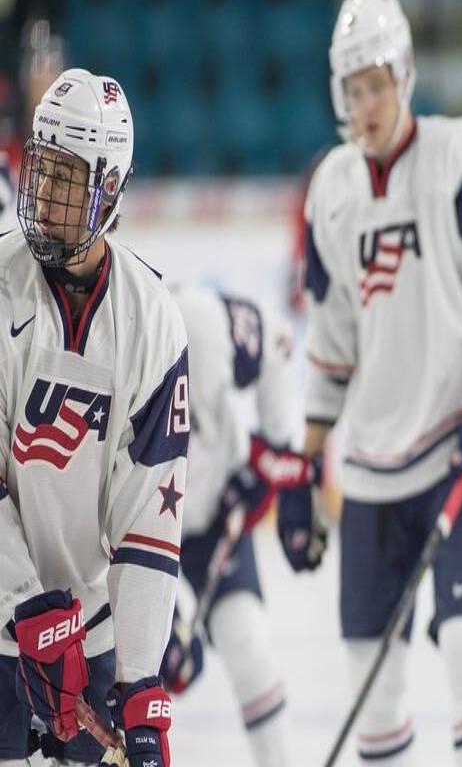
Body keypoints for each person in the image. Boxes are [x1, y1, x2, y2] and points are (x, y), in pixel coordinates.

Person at [276, 0, 462, 767]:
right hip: (371, 480)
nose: (367, 102)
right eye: (353, 88)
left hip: (461, 457)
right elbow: (330, 347)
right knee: (373, 687)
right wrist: (303, 461)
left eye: (377, 82)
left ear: (405, 76)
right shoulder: (330, 192)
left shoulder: (459, 157)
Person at [0, 68, 188, 767]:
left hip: (93, 637)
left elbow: (149, 520)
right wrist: (30, 606)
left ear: (108, 187)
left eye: (67, 179)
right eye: (40, 170)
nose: (44, 195)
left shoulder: (152, 318)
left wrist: (142, 688)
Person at [159, 285, 301, 766]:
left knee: (249, 647)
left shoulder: (200, 322)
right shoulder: (114, 364)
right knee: (144, 679)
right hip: (145, 543)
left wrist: (271, 451)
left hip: (218, 518)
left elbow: (278, 342)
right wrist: (171, 615)